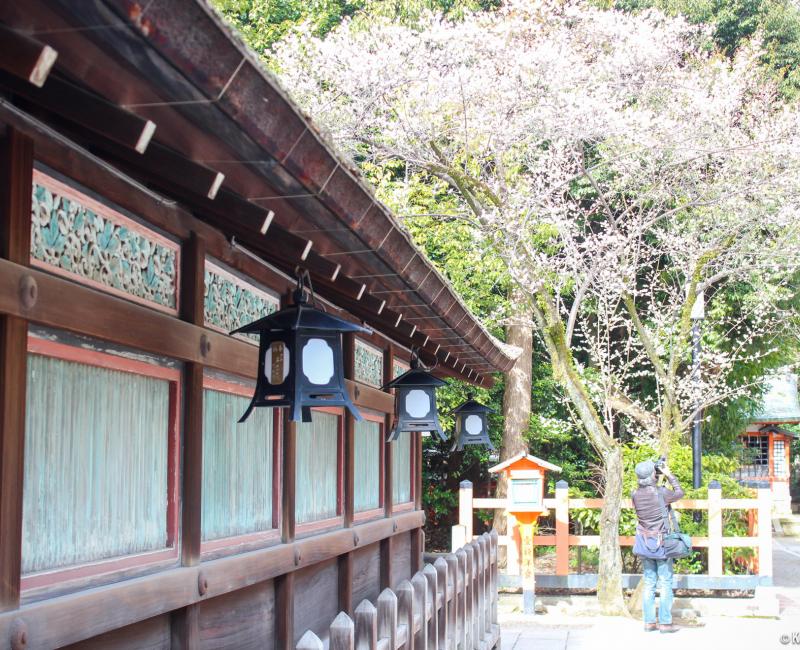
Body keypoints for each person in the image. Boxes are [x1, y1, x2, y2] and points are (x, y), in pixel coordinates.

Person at [632, 459, 684, 633]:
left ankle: (649, 622)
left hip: (645, 543)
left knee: (649, 583)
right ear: (653, 475)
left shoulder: (635, 494)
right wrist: (669, 475)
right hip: (662, 544)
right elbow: (679, 493)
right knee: (666, 582)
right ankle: (665, 623)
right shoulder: (661, 492)